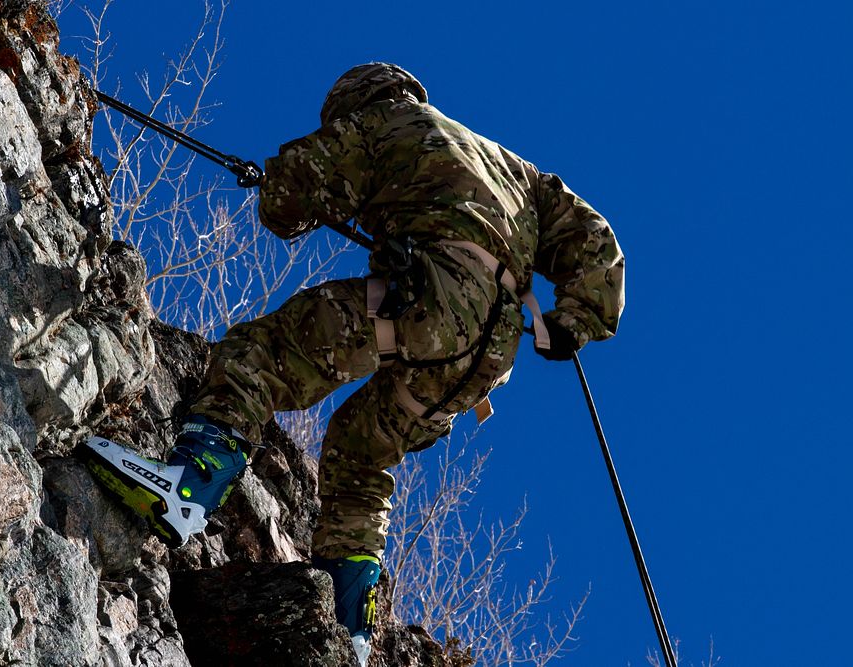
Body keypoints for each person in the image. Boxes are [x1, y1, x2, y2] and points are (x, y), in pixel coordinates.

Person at [81, 62, 624, 665]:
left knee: (261, 356)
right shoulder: (514, 171)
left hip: (428, 300)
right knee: (360, 453)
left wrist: (281, 192)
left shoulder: (384, 123)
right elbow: (595, 240)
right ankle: (353, 625)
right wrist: (576, 321)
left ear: (358, 103)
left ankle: (191, 484)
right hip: (489, 355)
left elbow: (292, 192)